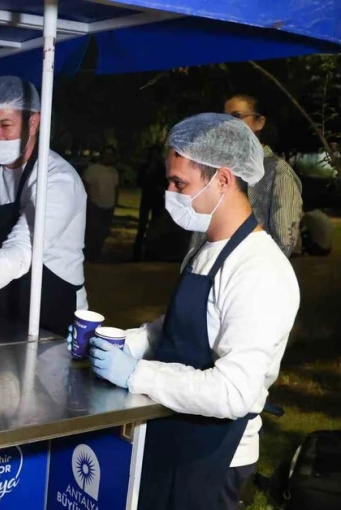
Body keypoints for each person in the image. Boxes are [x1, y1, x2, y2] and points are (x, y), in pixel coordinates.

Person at [81, 114, 300, 509]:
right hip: (173, 431)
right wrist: (122, 343)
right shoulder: (205, 250)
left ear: (223, 179)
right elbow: (178, 327)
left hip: (215, 457)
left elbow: (233, 392)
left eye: (179, 183)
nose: (169, 192)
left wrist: (136, 374)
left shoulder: (259, 270)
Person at [0, 75, 87, 336]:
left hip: (51, 312)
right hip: (1, 307)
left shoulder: (58, 179)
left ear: (33, 122)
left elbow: (23, 248)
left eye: (5, 125)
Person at [184, 94, 303, 257]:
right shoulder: (218, 170)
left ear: (259, 123)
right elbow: (201, 233)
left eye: (236, 116)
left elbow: (284, 240)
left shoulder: (278, 171)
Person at [82, 146, 120, 261]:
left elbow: (116, 188)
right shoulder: (92, 170)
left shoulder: (113, 172)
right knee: (92, 233)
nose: (109, 157)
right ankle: (87, 257)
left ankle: (95, 256)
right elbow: (86, 187)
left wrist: (115, 203)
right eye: (107, 154)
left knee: (102, 233)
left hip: (108, 207)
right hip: (95, 206)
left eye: (111, 155)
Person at [133, 143, 168, 260]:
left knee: (155, 225)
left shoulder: (163, 168)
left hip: (157, 200)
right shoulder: (146, 166)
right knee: (142, 225)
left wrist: (161, 188)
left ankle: (151, 252)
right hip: (147, 198)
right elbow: (139, 181)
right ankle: (137, 253)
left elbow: (167, 183)